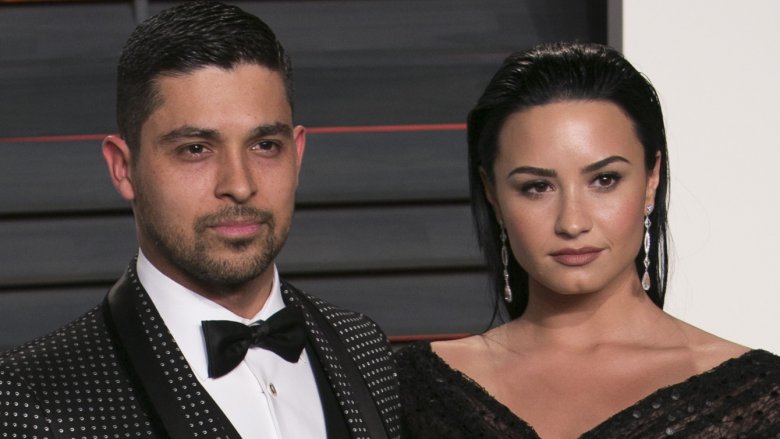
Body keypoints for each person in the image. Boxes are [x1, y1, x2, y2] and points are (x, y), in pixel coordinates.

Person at [0, 2, 400, 438]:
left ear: (297, 154)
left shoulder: (365, 348)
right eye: (195, 148)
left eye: (265, 145)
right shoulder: (29, 395)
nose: (240, 184)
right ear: (123, 168)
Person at [396, 42, 779, 438]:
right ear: (492, 192)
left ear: (652, 179)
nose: (572, 222)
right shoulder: (413, 390)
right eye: (536, 187)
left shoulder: (762, 398)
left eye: (604, 180)